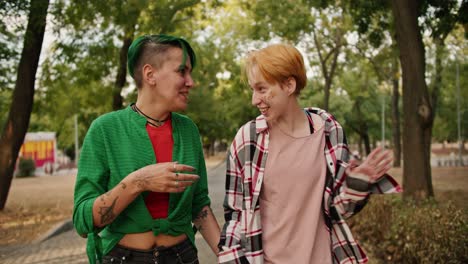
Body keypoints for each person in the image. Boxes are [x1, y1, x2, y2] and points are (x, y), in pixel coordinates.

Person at [217, 44, 402, 264]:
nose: (254, 100)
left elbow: (340, 209)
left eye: (262, 89)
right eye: (252, 89)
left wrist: (358, 182)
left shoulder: (328, 131)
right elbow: (235, 215)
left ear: (289, 85)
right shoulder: (248, 139)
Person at [73, 34, 220, 264]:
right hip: (123, 258)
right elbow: (83, 221)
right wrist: (138, 181)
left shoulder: (188, 130)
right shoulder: (105, 129)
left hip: (183, 257)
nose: (190, 81)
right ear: (150, 74)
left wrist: (229, 255)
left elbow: (199, 205)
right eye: (182, 71)